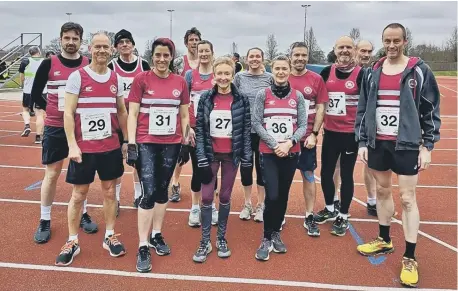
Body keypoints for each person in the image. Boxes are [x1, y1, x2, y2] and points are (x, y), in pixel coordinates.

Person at [355, 23, 441, 288]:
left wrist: (427, 145)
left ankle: (410, 256)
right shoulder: (372, 72)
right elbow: (363, 107)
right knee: (382, 191)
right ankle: (384, 239)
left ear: (405, 41)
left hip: (407, 144)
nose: (391, 45)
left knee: (406, 198)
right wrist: (363, 141)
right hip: (378, 142)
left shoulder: (419, 71)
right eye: (387, 41)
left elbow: (430, 110)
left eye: (396, 41)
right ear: (383, 41)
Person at [55, 32, 128, 266]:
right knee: (79, 194)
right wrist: (72, 145)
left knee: (109, 191)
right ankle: (72, 240)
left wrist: (126, 141)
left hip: (110, 146)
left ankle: (109, 235)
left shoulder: (115, 78)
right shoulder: (78, 77)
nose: (101, 51)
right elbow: (68, 113)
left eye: (105, 47)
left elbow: (122, 111)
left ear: (111, 50)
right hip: (83, 148)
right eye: (97, 47)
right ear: (90, 48)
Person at [126, 38, 190, 273]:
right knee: (148, 191)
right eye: (158, 55)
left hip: (171, 144)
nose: (162, 59)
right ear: (152, 56)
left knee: (162, 191)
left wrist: (185, 141)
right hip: (146, 143)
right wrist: (131, 144)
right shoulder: (141, 79)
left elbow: (184, 115)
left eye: (166, 55)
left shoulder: (180, 82)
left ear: (171, 57)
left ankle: (156, 234)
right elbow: (132, 114)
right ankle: (142, 244)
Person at [31, 22, 97, 244]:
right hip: (56, 128)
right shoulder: (49, 63)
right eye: (67, 38)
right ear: (60, 40)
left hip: (82, 129)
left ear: (81, 41)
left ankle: (83, 213)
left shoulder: (88, 63)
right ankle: (45, 219)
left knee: (83, 175)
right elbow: (35, 94)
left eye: (75, 38)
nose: (71, 42)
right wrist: (52, 110)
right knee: (52, 173)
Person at [192, 56, 252, 262]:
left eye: (227, 74)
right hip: (210, 154)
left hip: (231, 156)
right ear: (214, 76)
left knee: (225, 197)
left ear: (232, 75)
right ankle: (205, 241)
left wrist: (246, 158)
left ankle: (221, 238)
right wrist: (200, 157)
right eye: (220, 74)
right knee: (207, 197)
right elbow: (199, 130)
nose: (224, 77)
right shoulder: (206, 99)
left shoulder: (242, 100)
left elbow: (245, 131)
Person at [252, 55, 308, 261]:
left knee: (283, 195)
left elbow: (303, 125)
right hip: (269, 153)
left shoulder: (298, 96)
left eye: (285, 68)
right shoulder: (262, 94)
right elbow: (256, 123)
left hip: (291, 152)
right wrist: (275, 145)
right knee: (272, 195)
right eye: (277, 68)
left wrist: (289, 143)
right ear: (272, 70)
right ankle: (266, 237)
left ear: (290, 70)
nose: (281, 72)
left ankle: (276, 233)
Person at [314, 36, 363, 237]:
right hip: (331, 133)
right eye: (341, 47)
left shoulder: (362, 74)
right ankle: (330, 207)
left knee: (346, 174)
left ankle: (343, 213)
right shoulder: (326, 72)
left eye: (348, 47)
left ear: (355, 50)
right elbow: (319, 101)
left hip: (350, 134)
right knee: (326, 173)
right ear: (335, 50)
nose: (344, 50)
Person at [108, 29, 151, 214]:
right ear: (116, 47)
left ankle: (138, 195)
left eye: (128, 41)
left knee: (138, 162)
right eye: (120, 42)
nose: (124, 44)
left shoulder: (144, 64)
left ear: (133, 44)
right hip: (117, 121)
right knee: (116, 163)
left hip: (139, 120)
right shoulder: (111, 66)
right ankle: (115, 199)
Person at [288, 42, 328, 236]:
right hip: (284, 140)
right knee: (280, 179)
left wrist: (314, 133)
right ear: (290, 56)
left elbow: (321, 107)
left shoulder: (316, 79)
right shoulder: (280, 76)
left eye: (304, 55)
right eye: (297, 55)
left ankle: (309, 215)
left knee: (308, 176)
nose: (300, 58)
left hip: (306, 139)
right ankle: (278, 215)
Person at [181, 40, 219, 227]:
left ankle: (211, 206)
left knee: (214, 170)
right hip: (196, 131)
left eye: (207, 51)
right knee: (198, 169)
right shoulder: (190, 75)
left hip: (216, 131)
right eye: (200, 51)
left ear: (212, 52)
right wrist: (187, 132)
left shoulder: (218, 74)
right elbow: (183, 106)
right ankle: (195, 207)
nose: (203, 54)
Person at [233, 47, 273, 222]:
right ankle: (247, 204)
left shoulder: (269, 78)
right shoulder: (239, 78)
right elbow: (232, 99)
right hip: (244, 130)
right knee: (246, 167)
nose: (255, 59)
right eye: (252, 56)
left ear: (263, 59)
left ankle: (261, 205)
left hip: (263, 131)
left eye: (258, 56)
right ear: (246, 59)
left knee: (262, 168)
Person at [169, 27, 202, 201]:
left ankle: (206, 183)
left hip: (201, 117)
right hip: (181, 113)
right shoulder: (179, 63)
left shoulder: (206, 62)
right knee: (180, 153)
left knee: (203, 153)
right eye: (191, 40)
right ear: (186, 42)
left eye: (197, 40)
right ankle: (175, 184)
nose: (194, 43)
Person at [355, 39, 377, 216]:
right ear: (356, 51)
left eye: (369, 51)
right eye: (363, 51)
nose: (366, 55)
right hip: (344, 125)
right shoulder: (343, 70)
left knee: (369, 163)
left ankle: (372, 201)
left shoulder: (374, 72)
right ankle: (336, 201)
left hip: (366, 125)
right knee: (338, 165)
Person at [19, 46, 46, 143]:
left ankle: (27, 125)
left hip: (28, 91)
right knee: (39, 114)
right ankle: (38, 137)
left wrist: (24, 84)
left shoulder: (25, 62)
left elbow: (21, 78)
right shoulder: (45, 61)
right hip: (41, 91)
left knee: (25, 110)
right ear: (39, 52)